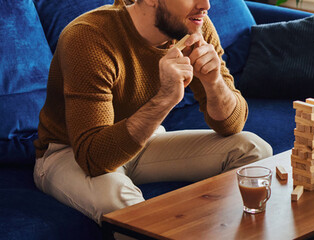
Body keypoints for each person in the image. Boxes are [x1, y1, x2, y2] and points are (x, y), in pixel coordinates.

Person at [33, 0, 272, 223]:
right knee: (123, 203)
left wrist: (213, 82)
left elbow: (232, 125)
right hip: (69, 152)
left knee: (254, 150)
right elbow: (94, 158)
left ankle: (211, 230)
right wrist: (166, 98)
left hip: (143, 140)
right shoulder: (89, 37)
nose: (206, 5)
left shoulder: (194, 26)